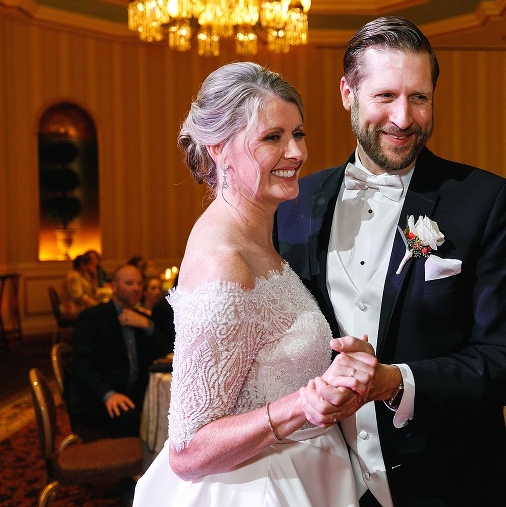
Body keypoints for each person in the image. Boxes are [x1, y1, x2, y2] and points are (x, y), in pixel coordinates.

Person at [275, 17, 506, 506]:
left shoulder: (484, 201)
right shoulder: (294, 203)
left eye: (419, 97)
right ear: (347, 93)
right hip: (322, 480)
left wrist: (397, 381)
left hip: (447, 481)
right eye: (385, 96)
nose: (404, 117)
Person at [134, 62, 377, 507]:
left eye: (298, 134)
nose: (296, 152)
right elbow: (187, 451)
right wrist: (300, 407)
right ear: (219, 149)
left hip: (303, 474)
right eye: (272, 138)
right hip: (256, 489)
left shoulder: (260, 238)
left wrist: (335, 375)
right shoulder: (223, 264)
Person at [68, 264, 170, 441]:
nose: (136, 288)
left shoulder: (141, 318)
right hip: (97, 397)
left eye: (139, 284)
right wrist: (108, 394)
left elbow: (164, 353)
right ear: (113, 287)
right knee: (128, 415)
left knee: (169, 408)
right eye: (129, 283)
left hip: (132, 391)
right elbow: (82, 366)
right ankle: (127, 467)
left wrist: (147, 326)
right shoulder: (93, 318)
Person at [60, 253, 100, 319]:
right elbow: (78, 296)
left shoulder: (83, 275)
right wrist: (95, 304)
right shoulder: (73, 276)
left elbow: (93, 291)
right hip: (72, 308)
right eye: (89, 264)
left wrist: (94, 277)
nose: (90, 267)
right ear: (82, 265)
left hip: (81, 306)